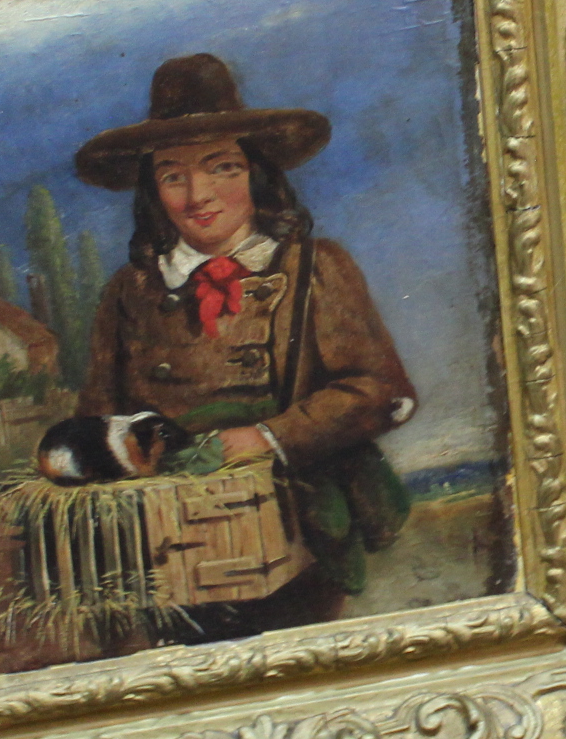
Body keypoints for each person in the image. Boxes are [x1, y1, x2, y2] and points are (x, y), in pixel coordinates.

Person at [68, 53, 417, 640]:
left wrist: (266, 438)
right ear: (154, 191)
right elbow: (96, 418)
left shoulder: (316, 269)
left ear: (256, 174)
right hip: (168, 552)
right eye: (173, 175)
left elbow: (379, 390)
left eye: (221, 167)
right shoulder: (129, 293)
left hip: (291, 540)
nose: (197, 195)